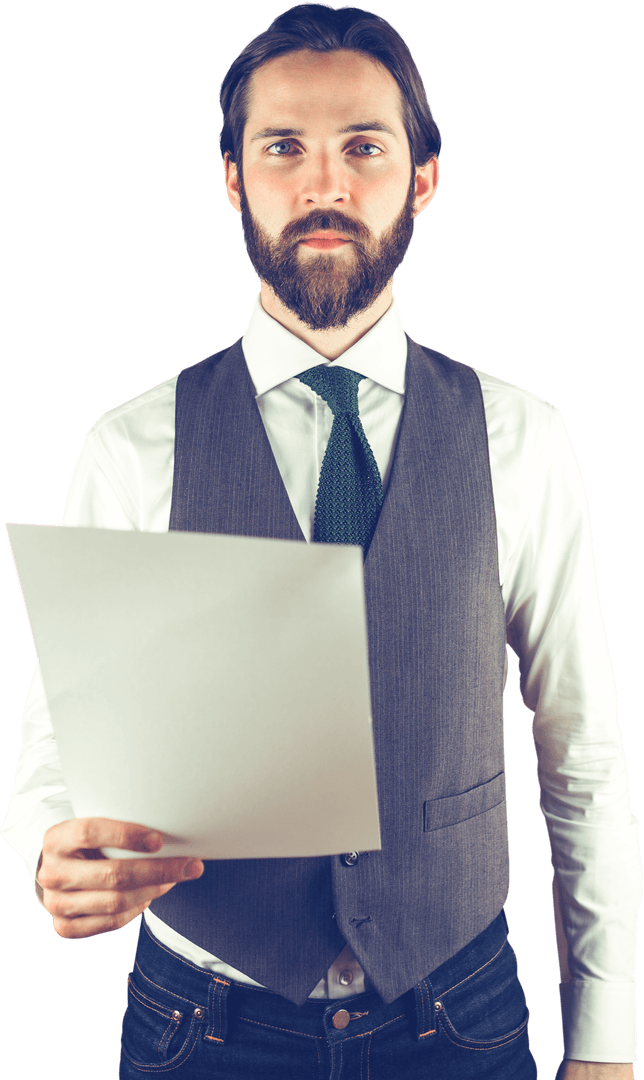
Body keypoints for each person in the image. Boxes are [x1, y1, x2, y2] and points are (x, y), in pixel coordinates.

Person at [1, 4, 639, 1078]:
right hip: (202, 1025)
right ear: (233, 178)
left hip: (462, 1018)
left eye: (364, 147)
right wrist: (48, 847)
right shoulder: (130, 445)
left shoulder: (523, 437)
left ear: (422, 179)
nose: (323, 185)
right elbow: (59, 747)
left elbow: (580, 750)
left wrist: (607, 1039)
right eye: (283, 147)